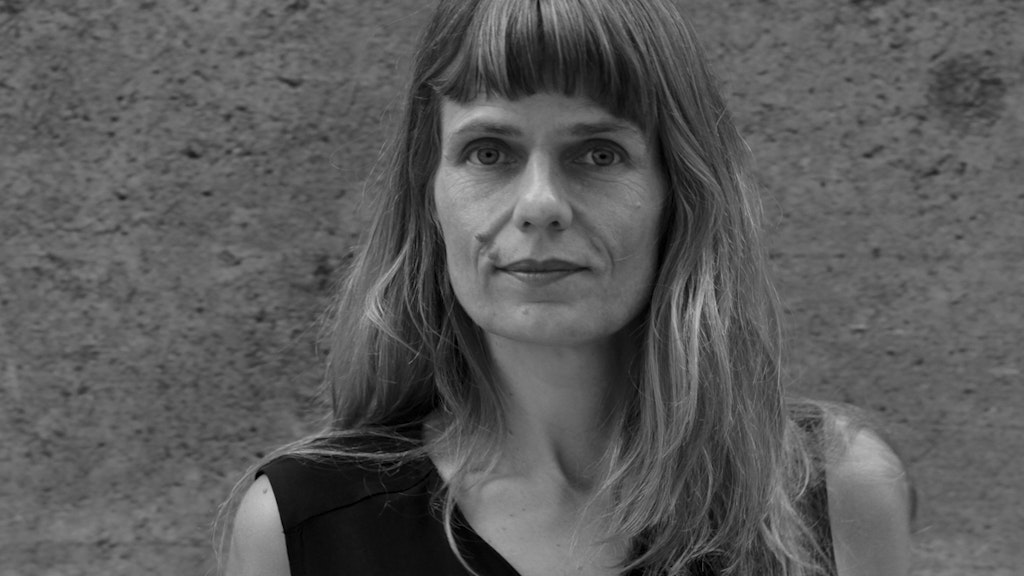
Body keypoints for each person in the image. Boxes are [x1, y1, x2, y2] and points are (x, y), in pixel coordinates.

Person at [219, 0, 914, 574]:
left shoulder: (829, 492)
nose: (540, 204)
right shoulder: (303, 529)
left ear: (679, 193)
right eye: (489, 152)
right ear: (427, 196)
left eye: (598, 153)